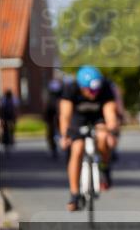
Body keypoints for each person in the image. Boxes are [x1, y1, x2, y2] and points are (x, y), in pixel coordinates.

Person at [60, 66, 118, 211]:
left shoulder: (105, 87)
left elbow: (110, 113)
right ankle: (74, 194)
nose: (94, 94)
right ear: (81, 87)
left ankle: (104, 168)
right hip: (77, 120)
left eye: (96, 90)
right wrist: (65, 135)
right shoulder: (71, 89)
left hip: (98, 118)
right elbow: (65, 116)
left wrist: (111, 131)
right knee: (77, 148)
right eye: (90, 90)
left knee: (103, 137)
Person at [44, 77, 64, 158]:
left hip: (57, 113)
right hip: (52, 114)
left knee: (54, 130)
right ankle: (53, 146)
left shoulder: (58, 97)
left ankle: (54, 145)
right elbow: (47, 109)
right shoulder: (52, 98)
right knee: (50, 130)